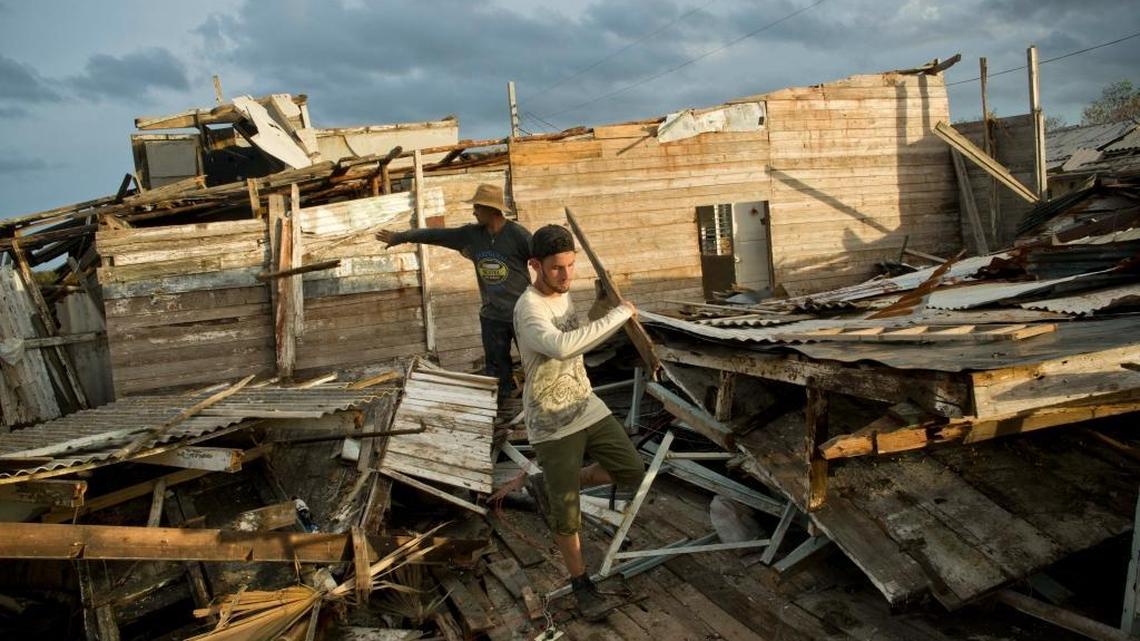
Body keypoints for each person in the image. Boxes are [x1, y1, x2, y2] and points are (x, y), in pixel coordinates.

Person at [513, 224, 646, 620]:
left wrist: (604, 305)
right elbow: (564, 344)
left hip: (584, 402)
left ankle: (554, 483)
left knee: (631, 468)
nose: (567, 276)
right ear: (535, 265)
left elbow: (579, 327)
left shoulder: (563, 292)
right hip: (551, 421)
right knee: (567, 514)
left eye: (571, 266)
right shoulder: (529, 309)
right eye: (557, 269)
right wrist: (620, 315)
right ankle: (581, 583)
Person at [377, 183, 530, 401]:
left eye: (478, 207)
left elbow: (542, 258)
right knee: (496, 369)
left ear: (492, 209)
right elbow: (436, 235)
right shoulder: (471, 235)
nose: (474, 211)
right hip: (492, 316)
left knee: (533, 361)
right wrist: (402, 237)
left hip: (522, 313)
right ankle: (503, 409)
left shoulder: (518, 235)